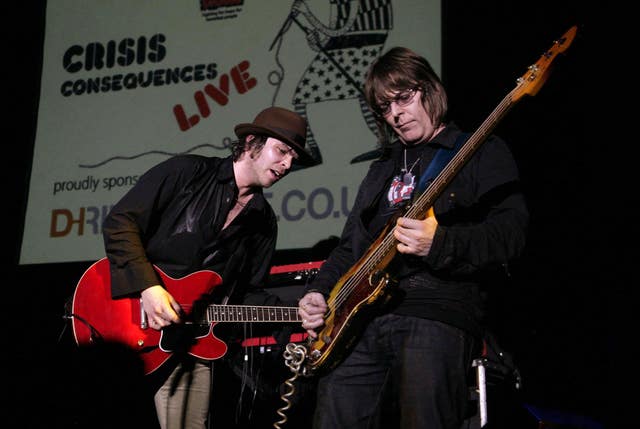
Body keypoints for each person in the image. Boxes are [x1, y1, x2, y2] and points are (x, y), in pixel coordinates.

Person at [297, 46, 529, 429]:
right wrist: (320, 291)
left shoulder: (477, 151)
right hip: (361, 321)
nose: (396, 115)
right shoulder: (381, 169)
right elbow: (350, 246)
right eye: (385, 108)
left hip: (435, 311)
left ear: (429, 90)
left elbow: (511, 234)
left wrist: (439, 244)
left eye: (403, 99)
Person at [102, 106, 313, 429]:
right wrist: (148, 287)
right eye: (282, 151)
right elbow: (120, 222)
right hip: (129, 326)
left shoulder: (263, 222)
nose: (287, 165)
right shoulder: (187, 173)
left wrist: (296, 314)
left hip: (193, 346)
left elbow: (247, 294)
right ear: (251, 142)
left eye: (293, 159)